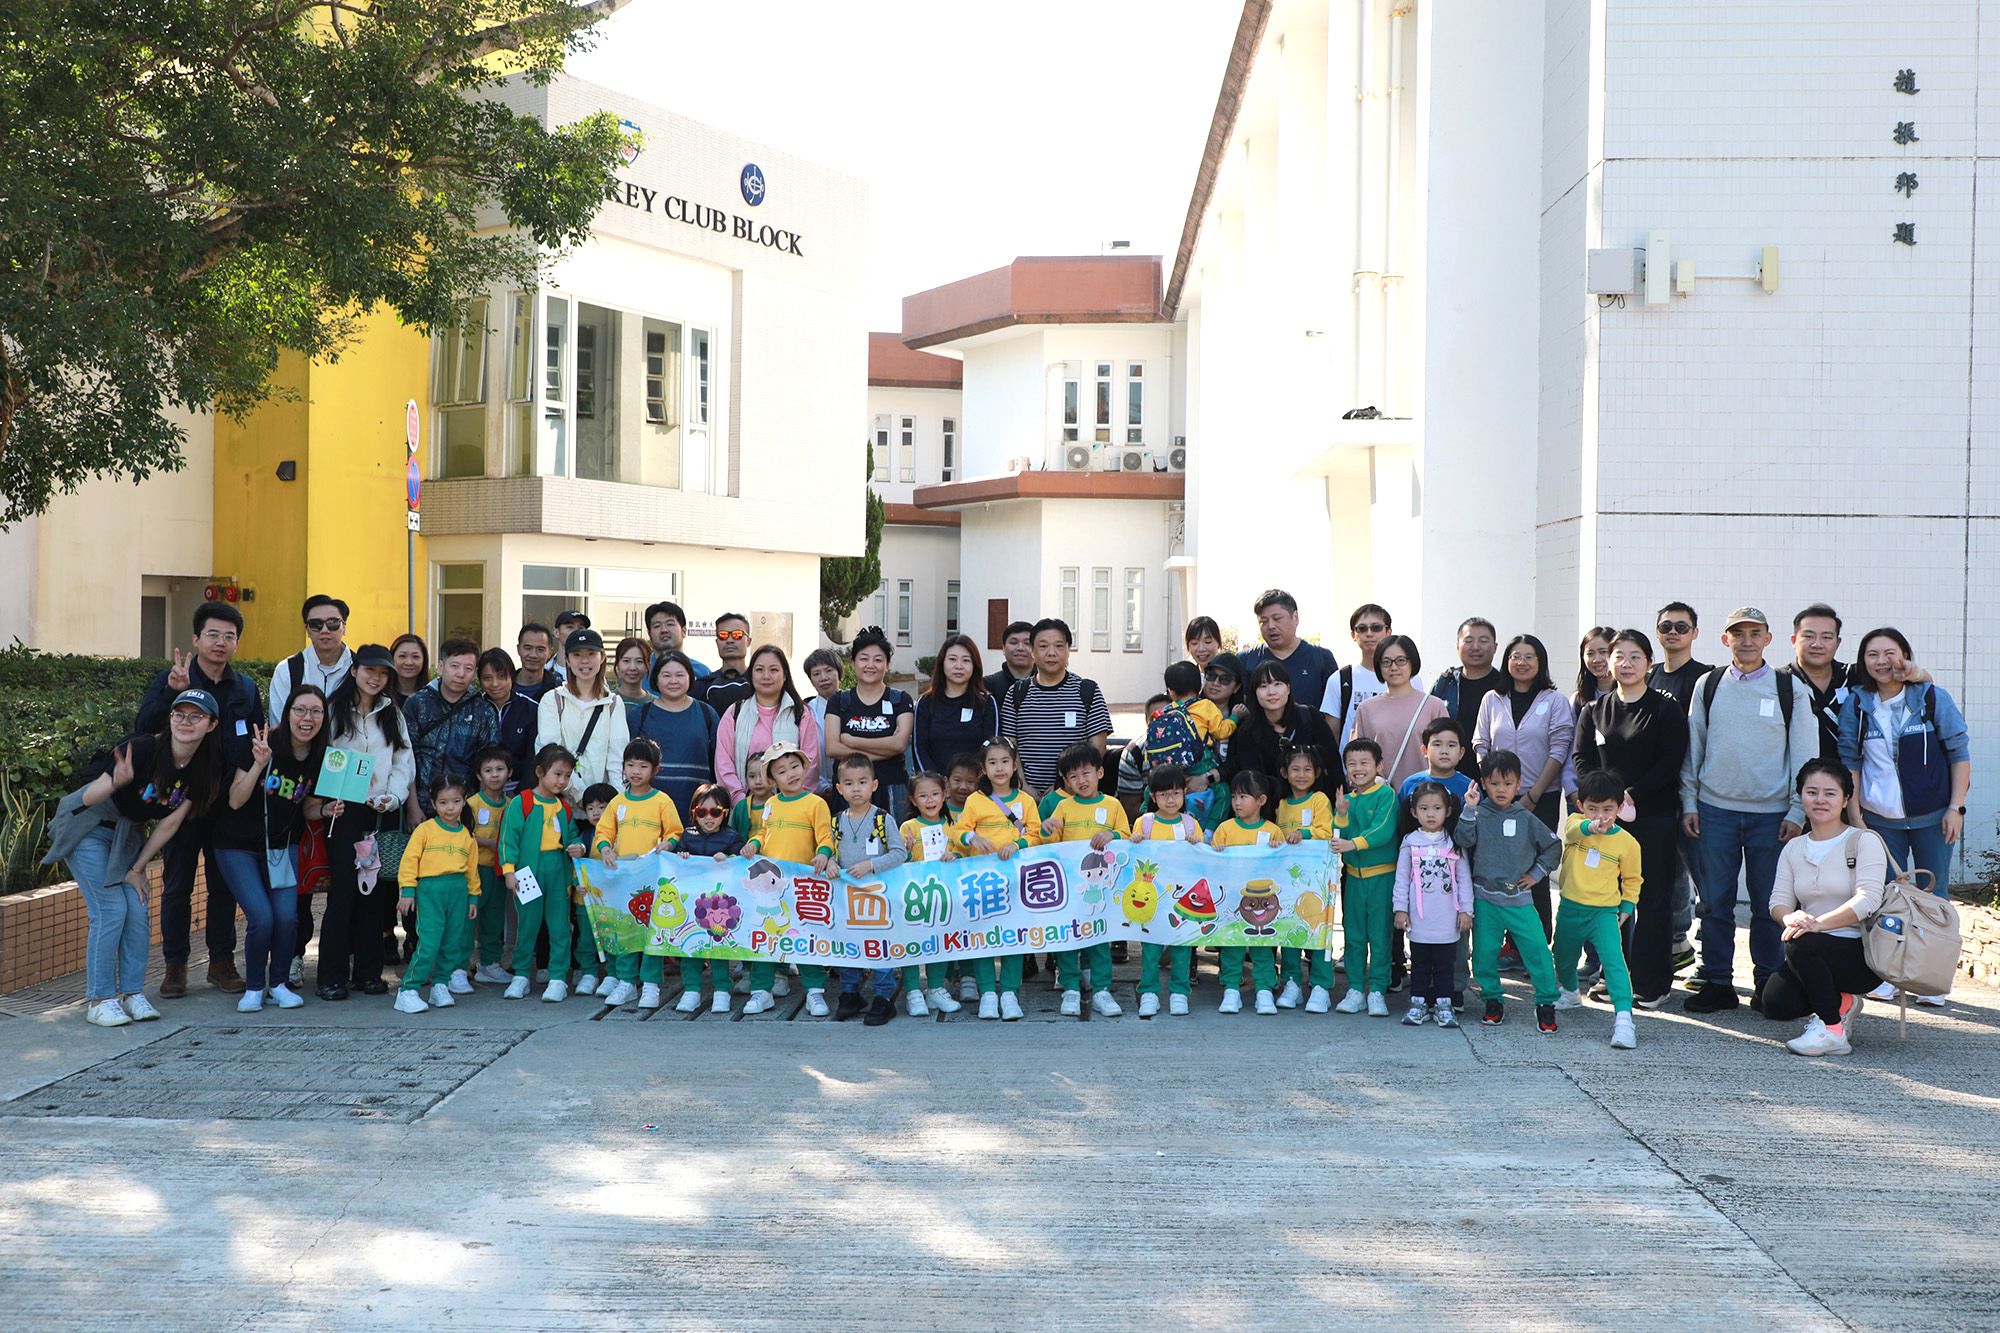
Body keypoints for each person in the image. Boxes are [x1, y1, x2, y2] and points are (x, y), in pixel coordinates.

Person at [48, 689, 224, 1026]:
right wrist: (116, 782)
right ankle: (100, 999)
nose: (185, 722)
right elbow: (87, 798)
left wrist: (138, 868)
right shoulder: (143, 748)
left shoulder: (204, 769)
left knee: (138, 908)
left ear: (212, 725)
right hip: (89, 826)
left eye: (196, 716)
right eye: (179, 714)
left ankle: (132, 993)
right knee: (110, 910)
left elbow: (169, 824)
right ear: (170, 718)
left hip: (126, 836)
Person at [1679, 607, 1819, 1014]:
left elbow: (1805, 755)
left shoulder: (1788, 689)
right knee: (1714, 904)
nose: (1746, 641)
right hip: (1715, 810)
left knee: (1768, 905)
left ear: (1768, 639)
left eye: (1755, 633)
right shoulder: (1709, 685)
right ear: (1725, 639)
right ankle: (1717, 983)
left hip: (1772, 817)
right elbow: (1694, 748)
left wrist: (1797, 811)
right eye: (1737, 633)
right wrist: (1689, 801)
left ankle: (1767, 984)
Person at [135, 600, 263, 999]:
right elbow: (143, 726)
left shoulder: (245, 688)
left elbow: (256, 740)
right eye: (213, 634)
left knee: (224, 887)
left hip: (227, 803)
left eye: (229, 636)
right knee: (177, 886)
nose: (220, 642)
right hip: (182, 802)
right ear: (196, 639)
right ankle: (175, 966)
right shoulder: (173, 678)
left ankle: (221, 963)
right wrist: (169, 694)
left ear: (237, 643)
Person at [1837, 626, 1971, 1006]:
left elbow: (1959, 752)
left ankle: (1933, 979)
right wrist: (1856, 817)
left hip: (1934, 816)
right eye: (1872, 654)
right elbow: (1850, 762)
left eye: (1889, 652)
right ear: (1863, 662)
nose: (1881, 661)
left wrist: (1955, 807)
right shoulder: (1858, 703)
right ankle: (1887, 976)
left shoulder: (1930, 696)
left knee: (1935, 898)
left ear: (1905, 656)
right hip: (1880, 819)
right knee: (1884, 898)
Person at [1573, 629, 1688, 1007]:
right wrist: (1602, 801)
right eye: (1618, 656)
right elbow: (1582, 759)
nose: (1626, 663)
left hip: (1653, 817)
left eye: (1635, 656)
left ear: (1649, 664)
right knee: (1610, 901)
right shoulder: (1594, 710)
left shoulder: (1665, 709)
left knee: (1652, 899)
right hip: (1607, 821)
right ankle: (1614, 976)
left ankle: (1652, 984)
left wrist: (1631, 794)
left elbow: (1671, 761)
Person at [217, 685, 330, 1014]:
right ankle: (254, 987)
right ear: (287, 712)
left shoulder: (320, 757)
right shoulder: (262, 743)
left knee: (286, 918)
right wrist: (258, 764)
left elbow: (308, 808)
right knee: (262, 918)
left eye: (316, 711)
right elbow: (235, 800)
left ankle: (278, 985)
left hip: (282, 846)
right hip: (237, 846)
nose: (307, 718)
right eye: (300, 710)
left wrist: (326, 810)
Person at [1765, 761, 1887, 1056]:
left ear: (1846, 800)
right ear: (1801, 797)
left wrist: (1818, 924)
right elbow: (1777, 901)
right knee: (1776, 1004)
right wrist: (1790, 916)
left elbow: (1869, 899)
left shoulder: (1864, 841)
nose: (1820, 800)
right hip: (1813, 947)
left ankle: (1832, 1031)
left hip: (1860, 953)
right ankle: (1844, 1003)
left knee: (1801, 943)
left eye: (1830, 793)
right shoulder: (1794, 848)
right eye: (1812, 792)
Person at [317, 645, 415, 1001]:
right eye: (369, 670)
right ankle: (331, 977)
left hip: (379, 810)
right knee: (344, 893)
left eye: (383, 672)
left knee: (373, 894)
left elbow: (403, 758)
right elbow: (323, 756)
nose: (376, 678)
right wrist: (332, 796)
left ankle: (368, 973)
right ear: (354, 670)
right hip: (343, 811)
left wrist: (394, 796)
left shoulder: (392, 712)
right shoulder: (333, 709)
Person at [1455, 751, 1562, 1031]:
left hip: (1519, 899)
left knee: (1537, 950)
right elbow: (1462, 840)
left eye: (1507, 783)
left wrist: (1536, 874)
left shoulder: (1525, 817)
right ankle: (1492, 1000)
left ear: (1519, 784)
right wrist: (1469, 809)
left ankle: (1546, 1003)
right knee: (1483, 955)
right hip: (1484, 899)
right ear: (1483, 784)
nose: (1500, 789)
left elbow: (1553, 846)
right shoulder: (1478, 813)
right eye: (1493, 783)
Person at [740, 740, 835, 1014]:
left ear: (804, 768)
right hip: (770, 886)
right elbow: (763, 833)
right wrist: (754, 844)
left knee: (805, 937)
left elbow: (826, 837)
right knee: (766, 936)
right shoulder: (771, 804)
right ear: (772, 779)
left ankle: (815, 991)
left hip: (804, 884)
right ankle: (761, 991)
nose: (791, 774)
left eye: (795, 766)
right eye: (782, 771)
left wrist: (823, 854)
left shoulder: (815, 803)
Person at [1554, 769, 1643, 1050]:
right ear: (1581, 805)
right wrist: (1588, 827)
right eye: (1592, 808)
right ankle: (1570, 992)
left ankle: (1624, 1019)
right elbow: (1571, 832)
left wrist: (1627, 906)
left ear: (1620, 808)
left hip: (1604, 913)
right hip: (1570, 907)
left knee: (1614, 963)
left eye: (1607, 809)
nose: (1600, 816)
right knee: (1562, 956)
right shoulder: (1575, 823)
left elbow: (1633, 879)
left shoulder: (1628, 843)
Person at [1038, 742, 1127, 1019]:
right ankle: (1070, 988)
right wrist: (1047, 829)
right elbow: (1050, 844)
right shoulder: (1062, 806)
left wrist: (1113, 835)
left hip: (1101, 887)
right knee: (1068, 937)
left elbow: (1127, 835)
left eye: (1086, 773)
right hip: (1070, 886)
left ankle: (1101, 990)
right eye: (1073, 776)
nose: (1081, 780)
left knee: (1100, 937)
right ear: (1065, 780)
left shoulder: (1112, 804)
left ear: (1100, 772)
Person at [593, 739, 684, 1010]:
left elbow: (675, 831)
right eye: (630, 765)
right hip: (624, 878)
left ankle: (651, 984)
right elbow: (603, 832)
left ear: (655, 770)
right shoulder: (617, 802)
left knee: (652, 933)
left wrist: (669, 843)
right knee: (625, 930)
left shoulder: (662, 801)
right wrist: (605, 848)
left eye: (643, 766)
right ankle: (626, 982)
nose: (635, 771)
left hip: (653, 879)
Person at [1649, 601, 1712, 976]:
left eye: (1681, 627)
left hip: (1697, 798)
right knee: (1668, 879)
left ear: (1695, 633)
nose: (1673, 632)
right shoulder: (1650, 676)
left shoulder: (1707, 678)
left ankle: (1710, 963)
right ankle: (1677, 947)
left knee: (1707, 881)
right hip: (1657, 798)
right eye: (1666, 626)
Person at [824, 755, 910, 1021]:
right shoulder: (836, 821)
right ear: (839, 788)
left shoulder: (882, 819)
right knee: (848, 945)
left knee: (878, 946)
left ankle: (884, 996)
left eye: (862, 782)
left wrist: (871, 865)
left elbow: (899, 853)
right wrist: (830, 862)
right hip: (846, 899)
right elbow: (829, 851)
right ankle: (850, 992)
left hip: (877, 899)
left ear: (874, 785)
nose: (856, 789)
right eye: (849, 783)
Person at [499, 744, 586, 1002]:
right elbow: (508, 840)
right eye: (557, 774)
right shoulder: (521, 803)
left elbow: (572, 835)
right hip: (526, 872)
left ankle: (558, 978)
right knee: (527, 924)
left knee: (560, 926)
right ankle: (521, 975)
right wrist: (509, 871)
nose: (562, 781)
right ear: (540, 772)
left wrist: (579, 847)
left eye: (567, 776)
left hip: (557, 871)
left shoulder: (564, 807)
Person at [392, 773, 481, 1014]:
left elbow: (472, 871)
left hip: (458, 892)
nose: (450, 808)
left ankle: (440, 985)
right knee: (429, 942)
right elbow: (409, 862)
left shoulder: (467, 835)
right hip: (431, 891)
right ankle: (408, 990)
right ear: (433, 803)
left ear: (464, 801)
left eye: (456, 801)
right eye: (443, 802)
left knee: (452, 942)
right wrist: (407, 891)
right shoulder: (425, 830)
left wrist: (473, 897)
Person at [998, 618, 1112, 796]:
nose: (1051, 653)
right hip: (1026, 797)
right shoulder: (1016, 693)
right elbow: (1010, 746)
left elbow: (1098, 748)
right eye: (1043, 646)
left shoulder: (1087, 691)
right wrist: (1023, 785)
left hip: (1074, 797)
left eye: (1059, 646)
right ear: (1032, 651)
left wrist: (1065, 787)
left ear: (1068, 650)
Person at [1393, 782, 1473, 1028]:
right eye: (1424, 808)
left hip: (1447, 918)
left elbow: (1464, 879)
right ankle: (1418, 1004)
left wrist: (1466, 911)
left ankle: (1443, 1005)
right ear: (1413, 812)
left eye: (1437, 808)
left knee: (1445, 966)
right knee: (1419, 964)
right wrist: (1400, 909)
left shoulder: (1453, 842)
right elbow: (1401, 878)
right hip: (1419, 918)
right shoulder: (1410, 842)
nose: (1430, 814)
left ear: (1448, 811)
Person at [970, 738, 1039, 1020]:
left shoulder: (1026, 801)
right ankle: (987, 992)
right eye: (992, 762)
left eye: (1005, 762)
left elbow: (1035, 834)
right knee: (982, 935)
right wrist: (971, 838)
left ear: (1014, 765)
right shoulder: (975, 800)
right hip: (982, 880)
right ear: (983, 768)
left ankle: (1010, 991)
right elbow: (959, 831)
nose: (999, 768)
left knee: (1014, 935)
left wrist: (1018, 844)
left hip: (1016, 880)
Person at [1332, 737, 1398, 1017]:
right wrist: (1341, 815)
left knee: (1381, 936)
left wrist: (1353, 844)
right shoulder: (1346, 800)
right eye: (1351, 764)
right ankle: (1356, 989)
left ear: (1379, 766)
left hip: (1382, 877)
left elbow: (1383, 830)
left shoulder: (1386, 795)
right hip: (1353, 878)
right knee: (1354, 935)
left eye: (1364, 763)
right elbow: (1338, 835)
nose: (1357, 769)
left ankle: (1378, 991)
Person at [1208, 770, 1283, 1014]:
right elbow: (1213, 866)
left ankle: (1264, 989)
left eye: (1243, 797)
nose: (1237, 802)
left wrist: (1278, 849)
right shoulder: (1225, 829)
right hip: (1232, 901)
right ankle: (1231, 989)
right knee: (1231, 945)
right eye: (1234, 797)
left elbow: (1282, 867)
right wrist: (1217, 852)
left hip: (1263, 903)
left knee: (1263, 945)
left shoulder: (1273, 831)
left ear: (1261, 800)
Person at [1132, 764, 1203, 1019]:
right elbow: (1133, 857)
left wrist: (1197, 843)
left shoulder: (1190, 824)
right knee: (1151, 947)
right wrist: (1135, 841)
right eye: (1163, 794)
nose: (1170, 799)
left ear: (1184, 793)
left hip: (1183, 898)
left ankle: (1179, 992)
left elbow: (1203, 859)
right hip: (1152, 898)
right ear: (1153, 796)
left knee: (1182, 946)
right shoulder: (1145, 823)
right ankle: (1149, 992)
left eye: (1175, 793)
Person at [825, 627, 915, 819]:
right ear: (853, 663)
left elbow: (899, 745)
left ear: (887, 664)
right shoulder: (839, 701)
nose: (870, 665)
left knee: (892, 837)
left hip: (891, 789)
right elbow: (832, 748)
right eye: (864, 659)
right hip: (848, 791)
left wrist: (851, 741)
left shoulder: (900, 700)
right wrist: (885, 751)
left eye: (878, 660)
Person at [404, 637, 497, 820]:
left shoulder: (483, 709)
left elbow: (488, 761)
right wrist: (412, 807)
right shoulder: (417, 703)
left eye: (468, 668)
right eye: (454, 666)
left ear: (475, 673)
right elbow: (406, 757)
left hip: (465, 807)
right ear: (441, 667)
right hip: (423, 805)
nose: (461, 674)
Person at [715, 645, 823, 804]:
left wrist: (794, 801)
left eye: (774, 670)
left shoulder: (801, 713)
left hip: (791, 808)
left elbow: (810, 763)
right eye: (759, 670)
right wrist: (741, 802)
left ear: (785, 675)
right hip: (745, 808)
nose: (766, 676)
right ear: (751, 675)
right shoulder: (735, 713)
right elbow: (723, 763)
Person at [536, 627, 631, 805]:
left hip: (604, 806)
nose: (584, 661)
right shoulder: (553, 700)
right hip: (561, 803)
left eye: (591, 654)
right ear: (567, 660)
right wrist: (581, 795)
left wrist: (616, 802)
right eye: (577, 654)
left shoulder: (613, 703)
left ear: (602, 657)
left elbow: (618, 759)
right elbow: (550, 754)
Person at [897, 769, 965, 1016]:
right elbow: (897, 861)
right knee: (912, 943)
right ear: (913, 800)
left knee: (940, 941)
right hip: (914, 897)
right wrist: (905, 851)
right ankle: (913, 991)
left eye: (935, 794)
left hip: (944, 897)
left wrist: (955, 855)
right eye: (923, 796)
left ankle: (936, 988)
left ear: (944, 795)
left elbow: (964, 855)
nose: (930, 800)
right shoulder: (908, 827)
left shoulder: (953, 825)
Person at [672, 784, 746, 1013]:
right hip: (691, 903)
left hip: (719, 905)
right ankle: (691, 989)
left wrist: (730, 856)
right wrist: (681, 855)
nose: (708, 817)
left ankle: (722, 990)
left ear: (725, 812)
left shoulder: (732, 836)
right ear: (694, 812)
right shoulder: (687, 836)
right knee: (689, 946)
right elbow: (674, 860)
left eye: (715, 812)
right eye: (702, 812)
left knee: (719, 947)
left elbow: (741, 859)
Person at [1223, 661, 1339, 805]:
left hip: (1316, 808)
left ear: (1288, 688)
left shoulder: (1310, 717)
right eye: (1263, 686)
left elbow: (1333, 763)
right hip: (1269, 811)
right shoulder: (1247, 731)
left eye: (1277, 684)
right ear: (1254, 692)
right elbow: (1250, 780)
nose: (1271, 692)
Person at [1274, 747, 1334, 1010]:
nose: (1301, 775)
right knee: (1289, 930)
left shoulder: (1319, 799)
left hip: (1317, 880)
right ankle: (1292, 982)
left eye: (1307, 769)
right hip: (1287, 881)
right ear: (1284, 773)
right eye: (1295, 769)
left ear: (1317, 773)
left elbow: (1326, 830)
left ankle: (1321, 985)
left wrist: (1303, 834)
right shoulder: (1280, 805)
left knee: (1319, 930)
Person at [1351, 635, 1449, 789]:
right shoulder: (1366, 709)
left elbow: (1447, 754)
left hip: (1426, 795)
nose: (1394, 667)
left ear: (1412, 662)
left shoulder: (1434, 706)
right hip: (1380, 796)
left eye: (1401, 660)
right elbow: (1356, 756)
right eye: (1386, 662)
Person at [632, 651, 721, 817]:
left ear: (690, 677)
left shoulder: (707, 714)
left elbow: (719, 762)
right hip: (649, 808)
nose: (673, 681)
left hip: (698, 809)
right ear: (656, 679)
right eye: (666, 675)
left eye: (680, 675)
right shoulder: (641, 714)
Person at [1322, 604, 1420, 744]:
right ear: (1353, 635)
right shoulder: (1339, 679)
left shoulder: (1411, 679)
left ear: (1388, 632)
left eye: (1376, 628)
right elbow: (1332, 734)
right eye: (1362, 629)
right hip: (1352, 757)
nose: (1369, 633)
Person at [1237, 590, 1340, 716]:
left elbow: (1334, 712)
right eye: (1263, 621)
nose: (1271, 626)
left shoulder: (1322, 658)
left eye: (1277, 619)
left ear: (1295, 617)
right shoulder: (1245, 660)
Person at [464, 745, 516, 986]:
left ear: (510, 773)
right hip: (474, 871)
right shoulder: (471, 804)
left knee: (494, 920)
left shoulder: (513, 804)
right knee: (468, 918)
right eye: (488, 770)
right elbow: (464, 836)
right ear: (478, 775)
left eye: (500, 769)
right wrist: (491, 843)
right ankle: (460, 965)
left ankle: (489, 964)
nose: (494, 775)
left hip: (499, 872)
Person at [914, 634, 998, 775]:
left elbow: (990, 749)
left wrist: (971, 781)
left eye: (966, 660)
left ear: (975, 665)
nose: (959, 666)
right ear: (942, 663)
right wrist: (936, 782)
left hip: (975, 783)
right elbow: (919, 749)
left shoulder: (987, 703)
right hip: (934, 785)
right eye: (952, 659)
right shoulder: (926, 702)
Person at [1430, 617, 1504, 779]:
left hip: (1494, 777)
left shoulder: (1505, 686)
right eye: (1468, 641)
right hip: (1448, 775)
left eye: (1483, 641)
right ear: (1457, 645)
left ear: (1495, 647)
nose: (1475, 647)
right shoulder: (1446, 682)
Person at [266, 594, 353, 726]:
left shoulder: (360, 668)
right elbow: (280, 725)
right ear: (307, 630)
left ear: (344, 627)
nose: (324, 630)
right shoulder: (287, 670)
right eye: (316, 624)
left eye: (333, 623)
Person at [475, 648, 539, 793]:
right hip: (479, 792)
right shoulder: (473, 708)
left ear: (512, 676)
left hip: (519, 790)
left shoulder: (531, 709)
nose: (495, 684)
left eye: (501, 676)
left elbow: (533, 759)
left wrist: (521, 795)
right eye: (487, 678)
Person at [691, 611, 753, 715]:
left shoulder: (759, 682)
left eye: (737, 635)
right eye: (723, 635)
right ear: (717, 642)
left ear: (748, 641)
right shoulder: (702, 687)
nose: (730, 640)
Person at [802, 647, 844, 788]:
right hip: (816, 790)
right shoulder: (806, 711)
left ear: (839, 673)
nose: (823, 678)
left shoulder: (855, 704)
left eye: (828, 670)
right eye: (816, 674)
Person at [645, 601, 712, 680]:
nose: (664, 630)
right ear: (649, 634)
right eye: (657, 626)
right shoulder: (641, 672)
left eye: (670, 624)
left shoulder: (702, 672)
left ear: (683, 631)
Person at [983, 620, 1036, 698]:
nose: (1020, 648)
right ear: (1003, 648)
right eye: (1014, 642)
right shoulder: (987, 684)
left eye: (1027, 643)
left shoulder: (1049, 684)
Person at [611, 636, 654, 730]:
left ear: (648, 666)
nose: (632, 667)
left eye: (639, 661)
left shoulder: (656, 704)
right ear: (617, 665)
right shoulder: (607, 701)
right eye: (626, 661)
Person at [513, 623, 562, 703]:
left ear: (550, 653)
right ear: (518, 649)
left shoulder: (559, 690)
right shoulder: (502, 688)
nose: (533, 655)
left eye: (540, 649)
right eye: (528, 648)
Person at [388, 633, 430, 704]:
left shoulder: (433, 697)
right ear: (392, 658)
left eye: (415, 657)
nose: (409, 662)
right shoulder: (382, 696)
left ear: (424, 660)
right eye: (402, 656)